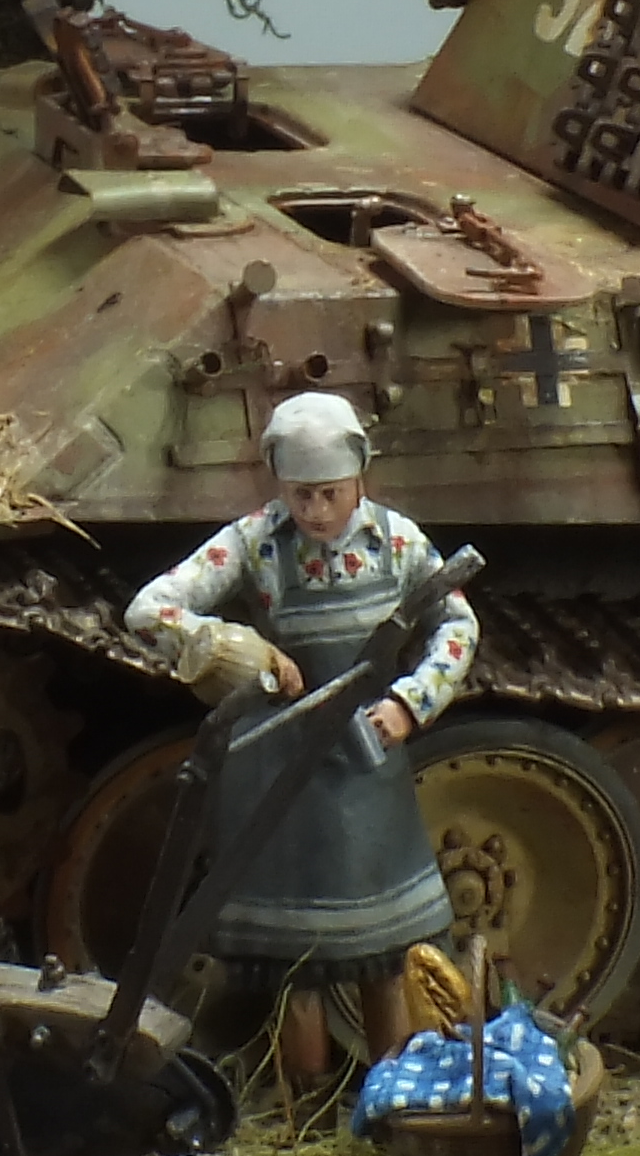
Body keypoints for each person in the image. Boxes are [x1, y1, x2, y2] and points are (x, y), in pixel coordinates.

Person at [121, 389, 479, 1067]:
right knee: (297, 970)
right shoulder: (256, 542)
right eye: (300, 495)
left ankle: (391, 1092)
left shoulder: (398, 543)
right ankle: (304, 1105)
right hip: (280, 778)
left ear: (359, 476)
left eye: (330, 493)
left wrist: (412, 702)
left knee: (386, 956)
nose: (314, 511)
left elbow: (457, 625)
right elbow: (151, 609)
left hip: (367, 767)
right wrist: (237, 650)